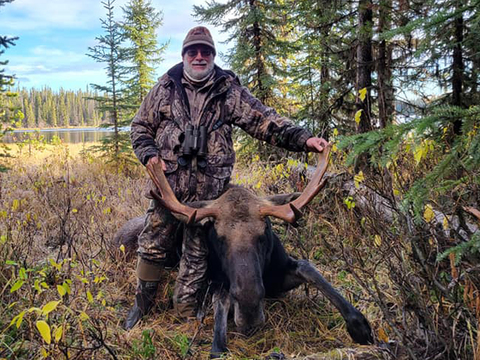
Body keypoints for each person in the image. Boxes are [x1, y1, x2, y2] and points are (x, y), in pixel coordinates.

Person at [126, 26, 329, 329]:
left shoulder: (229, 92)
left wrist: (304, 139)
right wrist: (150, 154)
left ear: (212, 56)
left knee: (198, 265)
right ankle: (140, 305)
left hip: (212, 204)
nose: (199, 56)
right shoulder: (164, 88)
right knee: (153, 241)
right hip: (169, 193)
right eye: (192, 51)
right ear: (183, 55)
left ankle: (193, 306)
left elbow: (265, 121)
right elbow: (139, 127)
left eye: (205, 51)